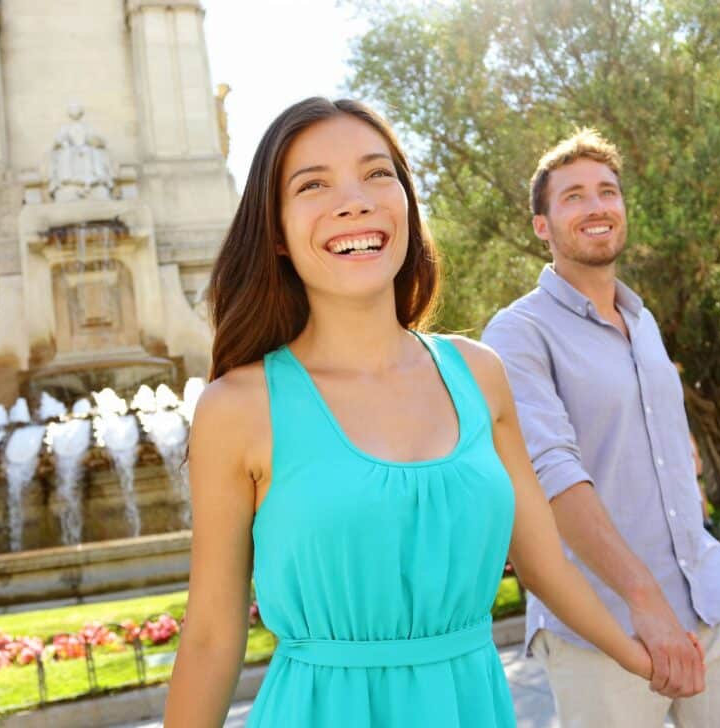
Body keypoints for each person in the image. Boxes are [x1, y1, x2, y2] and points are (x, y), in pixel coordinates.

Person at [163, 99, 663, 727]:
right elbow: (211, 634)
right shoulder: (238, 407)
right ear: (277, 234)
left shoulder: (480, 375)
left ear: (406, 205)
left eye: (377, 174)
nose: (355, 201)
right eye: (313, 184)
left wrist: (643, 656)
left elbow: (545, 566)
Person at [481, 128, 720, 727]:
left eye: (608, 191)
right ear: (541, 226)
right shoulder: (516, 334)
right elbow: (551, 475)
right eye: (573, 196)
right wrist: (643, 601)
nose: (597, 206)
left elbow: (664, 442)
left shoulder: (642, 319)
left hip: (713, 601)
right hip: (600, 629)